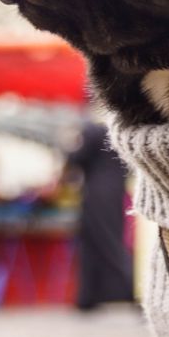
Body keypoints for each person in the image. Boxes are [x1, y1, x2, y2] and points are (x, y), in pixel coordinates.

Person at [68, 118, 133, 310]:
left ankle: (126, 292)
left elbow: (77, 158)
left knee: (101, 243)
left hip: (97, 194)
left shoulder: (92, 128)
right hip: (115, 191)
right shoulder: (120, 127)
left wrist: (67, 146)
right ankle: (89, 297)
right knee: (107, 241)